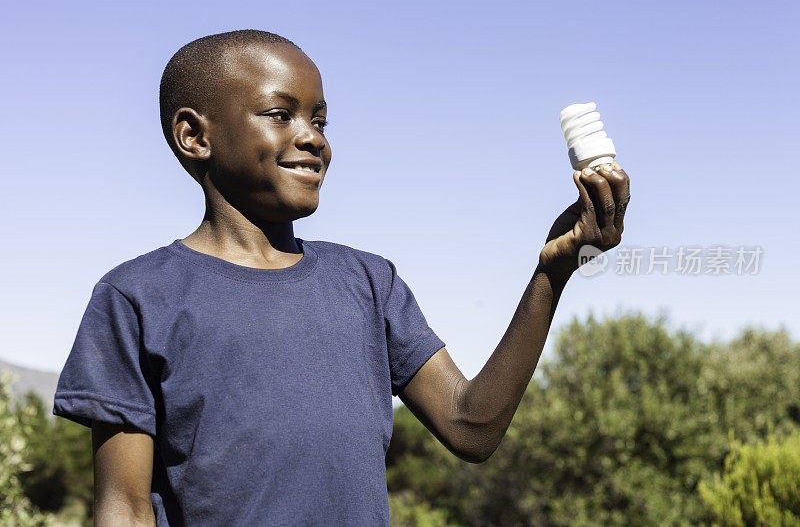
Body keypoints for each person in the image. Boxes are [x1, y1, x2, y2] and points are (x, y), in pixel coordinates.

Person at [53, 29, 630, 526]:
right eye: (281, 114)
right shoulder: (136, 297)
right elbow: (124, 508)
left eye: (320, 119)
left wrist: (552, 273)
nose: (314, 137)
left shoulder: (368, 283)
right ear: (195, 136)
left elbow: (471, 428)